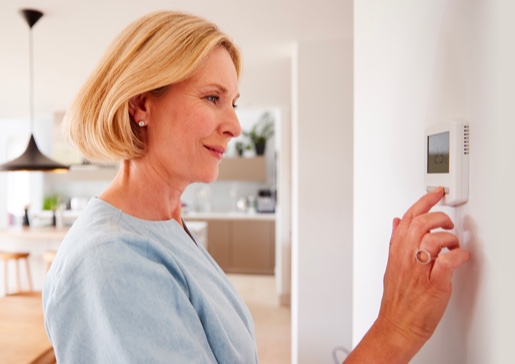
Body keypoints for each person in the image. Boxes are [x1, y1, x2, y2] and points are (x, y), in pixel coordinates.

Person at [42, 10, 470, 364]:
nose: (234, 125)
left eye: (234, 102)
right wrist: (396, 330)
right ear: (141, 105)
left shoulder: (165, 226)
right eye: (212, 98)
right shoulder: (113, 262)